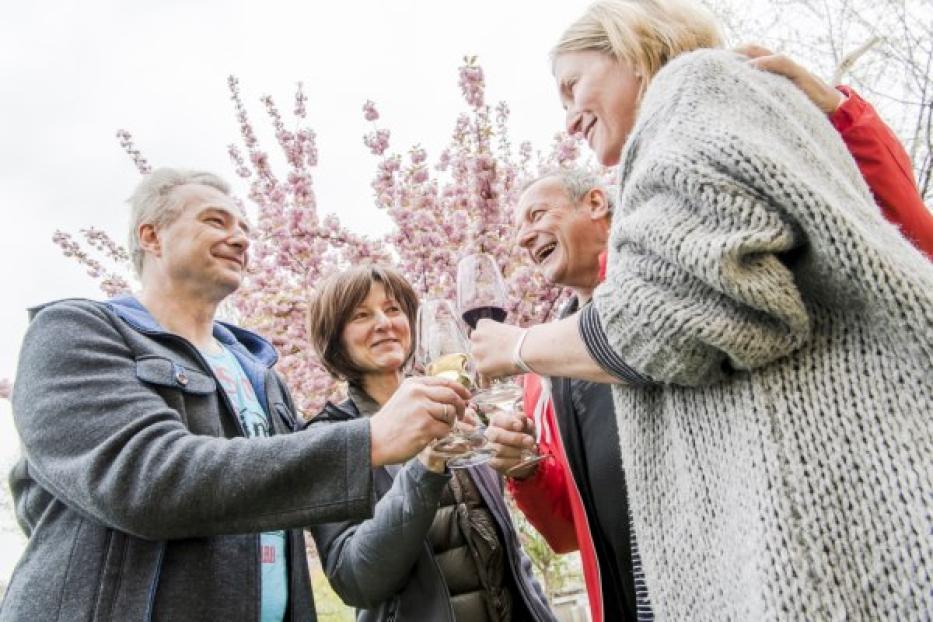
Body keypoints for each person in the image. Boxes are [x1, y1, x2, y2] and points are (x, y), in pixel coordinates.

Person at [472, 1, 933, 619]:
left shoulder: (693, 93)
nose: (569, 115)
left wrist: (517, 346)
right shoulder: (686, 129)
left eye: (573, 85)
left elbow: (670, 320)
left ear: (629, 49)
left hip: (818, 533)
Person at [1, 168, 464, 622]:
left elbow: (283, 514)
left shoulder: (263, 377)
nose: (240, 239)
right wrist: (369, 441)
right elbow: (144, 478)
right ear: (151, 236)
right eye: (215, 221)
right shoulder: (75, 332)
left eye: (244, 227)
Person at [305, 265, 555, 622]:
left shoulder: (460, 407)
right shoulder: (331, 438)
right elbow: (355, 580)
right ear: (334, 337)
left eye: (393, 309)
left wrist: (521, 462)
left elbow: (507, 549)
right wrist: (425, 466)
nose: (383, 323)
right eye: (361, 315)